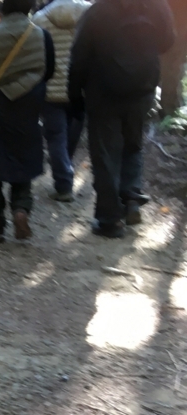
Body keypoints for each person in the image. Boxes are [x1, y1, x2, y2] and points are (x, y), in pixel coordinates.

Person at [69, 0, 176, 237]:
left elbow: (79, 53)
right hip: (143, 87)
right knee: (133, 144)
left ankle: (109, 219)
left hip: (103, 91)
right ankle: (131, 199)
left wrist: (74, 93)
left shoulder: (98, 11)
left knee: (105, 152)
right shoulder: (157, 6)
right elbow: (168, 41)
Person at [0, 0, 55, 242]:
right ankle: (20, 209)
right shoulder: (42, 36)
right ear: (28, 9)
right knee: (23, 157)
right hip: (29, 103)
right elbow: (50, 70)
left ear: (3, 11)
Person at [33, 0, 90, 203]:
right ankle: (65, 165)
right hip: (83, 87)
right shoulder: (90, 13)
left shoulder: (39, 19)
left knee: (56, 136)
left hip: (50, 89)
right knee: (73, 132)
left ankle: (64, 184)